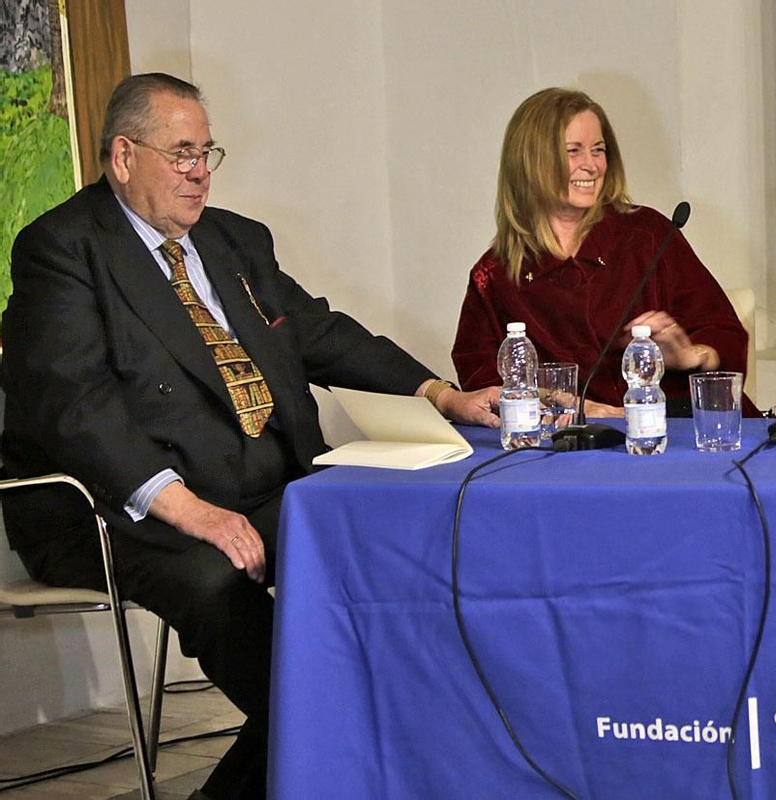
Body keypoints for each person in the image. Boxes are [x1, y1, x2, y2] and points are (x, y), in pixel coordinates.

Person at [0, 73, 500, 800]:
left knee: (377, 543)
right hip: (116, 508)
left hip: (257, 483)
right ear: (122, 155)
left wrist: (440, 393)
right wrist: (192, 511)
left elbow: (319, 333)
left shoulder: (234, 240)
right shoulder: (61, 249)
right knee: (221, 582)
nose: (199, 172)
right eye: (180, 154)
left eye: (207, 152)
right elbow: (77, 409)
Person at [452, 88, 756, 416]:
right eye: (573, 151)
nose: (592, 166)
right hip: (570, 448)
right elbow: (482, 385)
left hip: (678, 429)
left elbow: (725, 334)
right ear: (531, 161)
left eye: (598, 150)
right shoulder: (495, 273)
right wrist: (571, 406)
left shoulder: (647, 234)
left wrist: (693, 356)